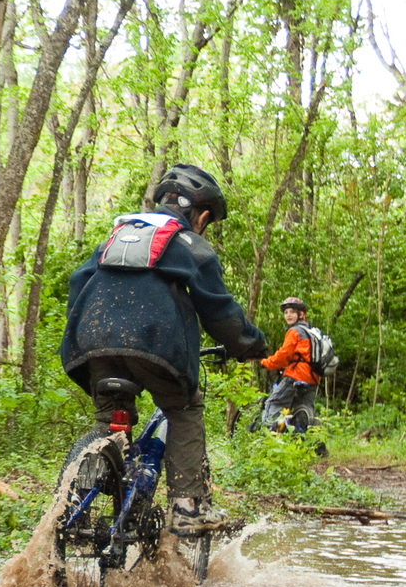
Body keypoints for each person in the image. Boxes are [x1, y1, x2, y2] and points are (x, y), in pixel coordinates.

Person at [55, 163, 267, 532]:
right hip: (153, 346)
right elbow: (218, 310)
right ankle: (187, 507)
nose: (206, 227)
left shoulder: (116, 236)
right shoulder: (189, 243)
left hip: (91, 343)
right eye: (208, 219)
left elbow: (78, 284)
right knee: (185, 405)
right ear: (199, 214)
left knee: (110, 425)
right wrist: (251, 346)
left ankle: (73, 505)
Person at [257, 297, 321, 433]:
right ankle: (316, 444)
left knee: (273, 402)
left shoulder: (294, 331)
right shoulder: (311, 332)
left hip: (296, 375)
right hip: (313, 377)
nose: (288, 315)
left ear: (301, 314)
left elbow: (283, 355)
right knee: (304, 408)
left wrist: (266, 363)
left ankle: (266, 437)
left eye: (292, 312)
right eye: (286, 312)